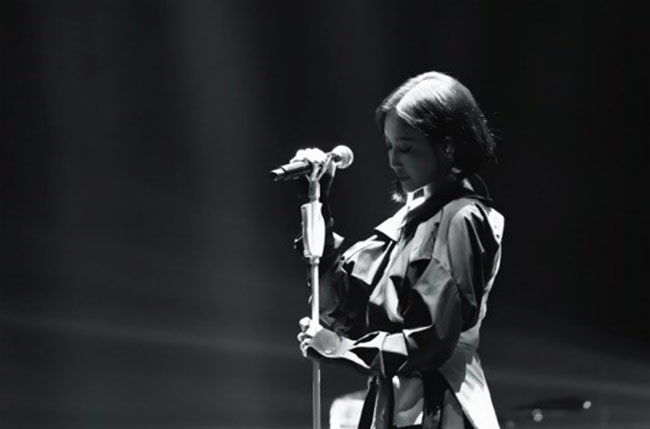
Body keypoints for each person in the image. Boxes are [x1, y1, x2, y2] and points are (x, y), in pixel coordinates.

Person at [294, 71, 504, 429]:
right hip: (394, 404)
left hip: (440, 405)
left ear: (448, 146)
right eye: (389, 147)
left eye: (406, 148)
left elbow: (430, 342)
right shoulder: (408, 221)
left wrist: (342, 349)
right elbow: (340, 305)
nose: (394, 160)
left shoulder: (461, 218)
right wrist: (317, 200)